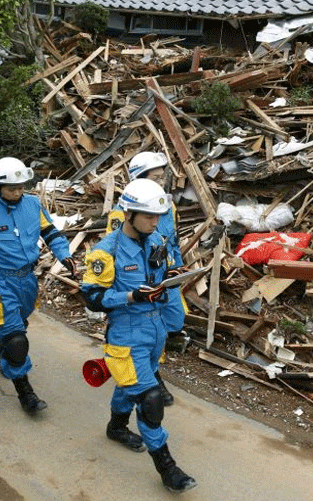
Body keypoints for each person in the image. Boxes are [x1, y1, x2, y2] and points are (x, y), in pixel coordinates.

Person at [81, 178, 196, 493]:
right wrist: (130, 297)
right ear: (128, 213)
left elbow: (161, 272)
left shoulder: (156, 238)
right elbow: (91, 298)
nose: (155, 221)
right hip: (126, 334)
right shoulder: (106, 252)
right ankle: (168, 469)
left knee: (131, 383)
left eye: (158, 215)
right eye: (148, 216)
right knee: (149, 399)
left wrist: (171, 276)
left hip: (155, 330)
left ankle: (116, 428)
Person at [0, 157, 75, 413]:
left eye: (21, 186)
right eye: (12, 188)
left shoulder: (33, 205)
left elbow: (50, 232)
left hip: (26, 280)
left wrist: (63, 253)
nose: (17, 192)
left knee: (19, 325)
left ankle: (2, 351)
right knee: (17, 341)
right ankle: (26, 394)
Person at [106, 151, 187, 406]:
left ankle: (146, 369)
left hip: (165, 276)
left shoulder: (167, 205)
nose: (161, 181)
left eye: (163, 176)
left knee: (174, 319)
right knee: (149, 328)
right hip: (140, 282)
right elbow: (119, 253)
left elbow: (172, 241)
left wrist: (178, 268)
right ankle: (152, 374)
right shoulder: (122, 214)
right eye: (155, 177)